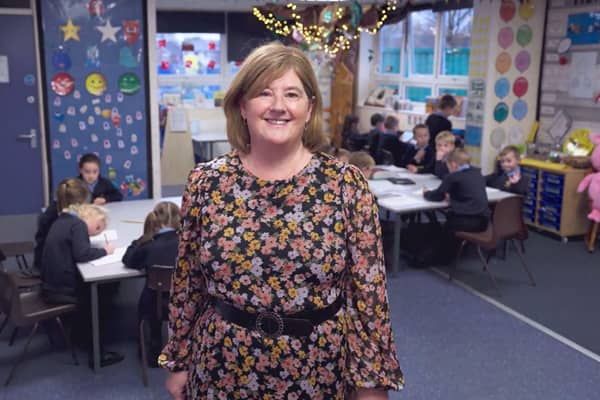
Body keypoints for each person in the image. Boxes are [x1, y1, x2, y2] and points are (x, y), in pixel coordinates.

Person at [160, 42, 403, 400]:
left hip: (316, 367)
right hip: (222, 364)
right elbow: (187, 283)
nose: (278, 106)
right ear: (242, 106)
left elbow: (369, 295)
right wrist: (179, 359)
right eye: (263, 93)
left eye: (292, 93)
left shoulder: (346, 185)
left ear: (309, 108)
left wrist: (370, 383)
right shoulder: (206, 182)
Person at [40, 203, 124, 367]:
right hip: (62, 290)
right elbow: (82, 254)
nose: (95, 232)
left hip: (50, 283)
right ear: (89, 217)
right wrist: (105, 251)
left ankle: (82, 335)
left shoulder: (64, 219)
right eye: (98, 227)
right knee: (101, 296)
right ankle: (97, 354)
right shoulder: (78, 225)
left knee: (105, 289)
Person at [122, 201, 180, 367]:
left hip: (156, 305)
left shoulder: (148, 245)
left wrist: (140, 240)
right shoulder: (187, 243)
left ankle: (153, 353)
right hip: (184, 304)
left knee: (148, 300)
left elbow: (129, 260)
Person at [423, 148, 490, 264]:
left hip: (465, 221)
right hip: (484, 221)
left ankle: (438, 257)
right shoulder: (477, 173)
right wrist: (453, 197)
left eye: (448, 165)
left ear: (453, 164)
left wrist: (426, 193)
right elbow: (465, 192)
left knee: (444, 227)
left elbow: (437, 196)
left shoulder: (453, 177)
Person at [33, 178, 91, 275]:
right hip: (55, 270)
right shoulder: (66, 221)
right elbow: (81, 253)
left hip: (48, 263)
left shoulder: (56, 210)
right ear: (78, 204)